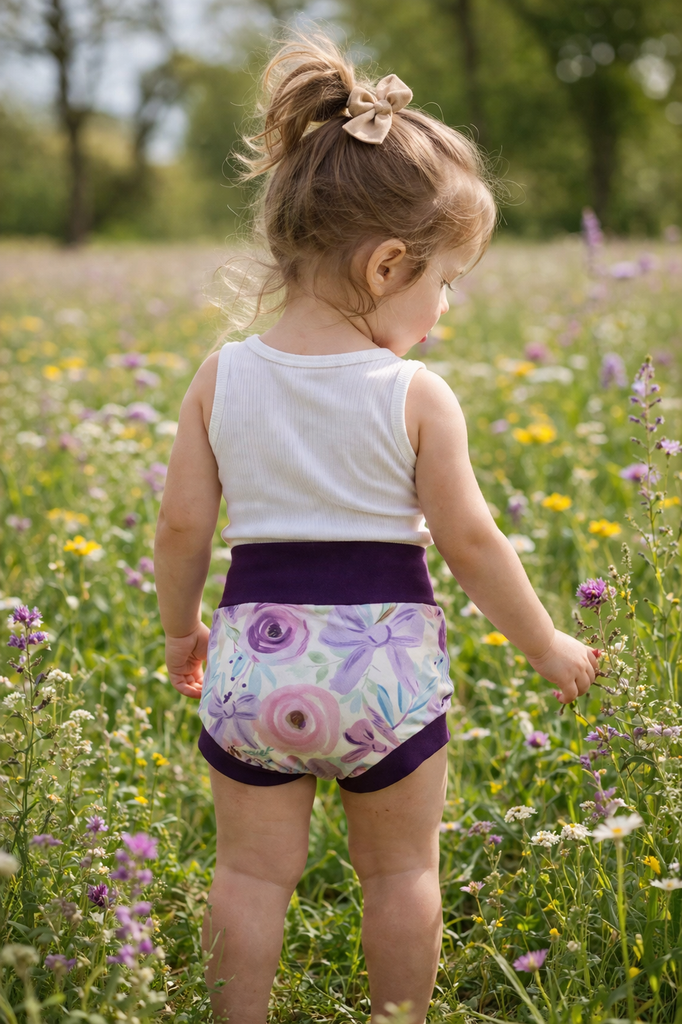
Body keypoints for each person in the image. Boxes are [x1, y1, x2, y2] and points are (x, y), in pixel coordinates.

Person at [153, 30, 598, 1024]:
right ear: (389, 262)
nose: (441, 311)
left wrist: (182, 629)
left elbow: (182, 525)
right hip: (382, 674)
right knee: (400, 876)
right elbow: (475, 544)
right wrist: (546, 644)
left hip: (251, 667)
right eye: (440, 283)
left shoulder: (221, 376)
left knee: (249, 878)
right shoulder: (414, 394)